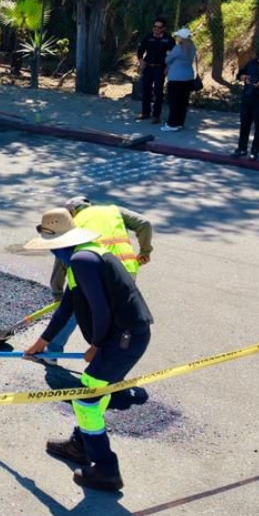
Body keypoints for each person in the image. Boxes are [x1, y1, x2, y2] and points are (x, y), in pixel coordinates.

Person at [23, 207, 154, 492]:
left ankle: (106, 468)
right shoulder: (81, 256)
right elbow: (67, 306)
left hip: (124, 338)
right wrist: (41, 343)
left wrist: (95, 346)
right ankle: (81, 444)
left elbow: (100, 310)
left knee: (86, 398)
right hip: (125, 336)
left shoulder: (83, 260)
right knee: (97, 393)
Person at [46, 196, 153, 354]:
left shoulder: (73, 224)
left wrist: (58, 293)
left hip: (89, 271)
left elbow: (62, 262)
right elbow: (145, 224)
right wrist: (145, 251)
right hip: (125, 271)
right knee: (115, 314)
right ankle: (110, 352)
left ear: (72, 211)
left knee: (77, 310)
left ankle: (52, 351)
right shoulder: (113, 210)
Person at [136, 17, 173, 123]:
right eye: (154, 26)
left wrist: (168, 67)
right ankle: (145, 112)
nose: (156, 29)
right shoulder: (148, 37)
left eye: (159, 27)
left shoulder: (168, 39)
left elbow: (173, 55)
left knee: (158, 91)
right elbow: (140, 50)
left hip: (160, 68)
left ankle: (156, 115)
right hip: (148, 67)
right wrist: (141, 60)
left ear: (163, 28)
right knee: (145, 89)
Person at [162, 27, 196, 132]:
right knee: (183, 102)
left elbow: (168, 60)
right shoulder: (192, 47)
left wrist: (168, 54)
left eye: (178, 36)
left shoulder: (178, 48)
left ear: (182, 37)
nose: (177, 38)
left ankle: (172, 124)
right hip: (188, 77)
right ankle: (180, 122)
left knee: (174, 102)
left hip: (176, 78)